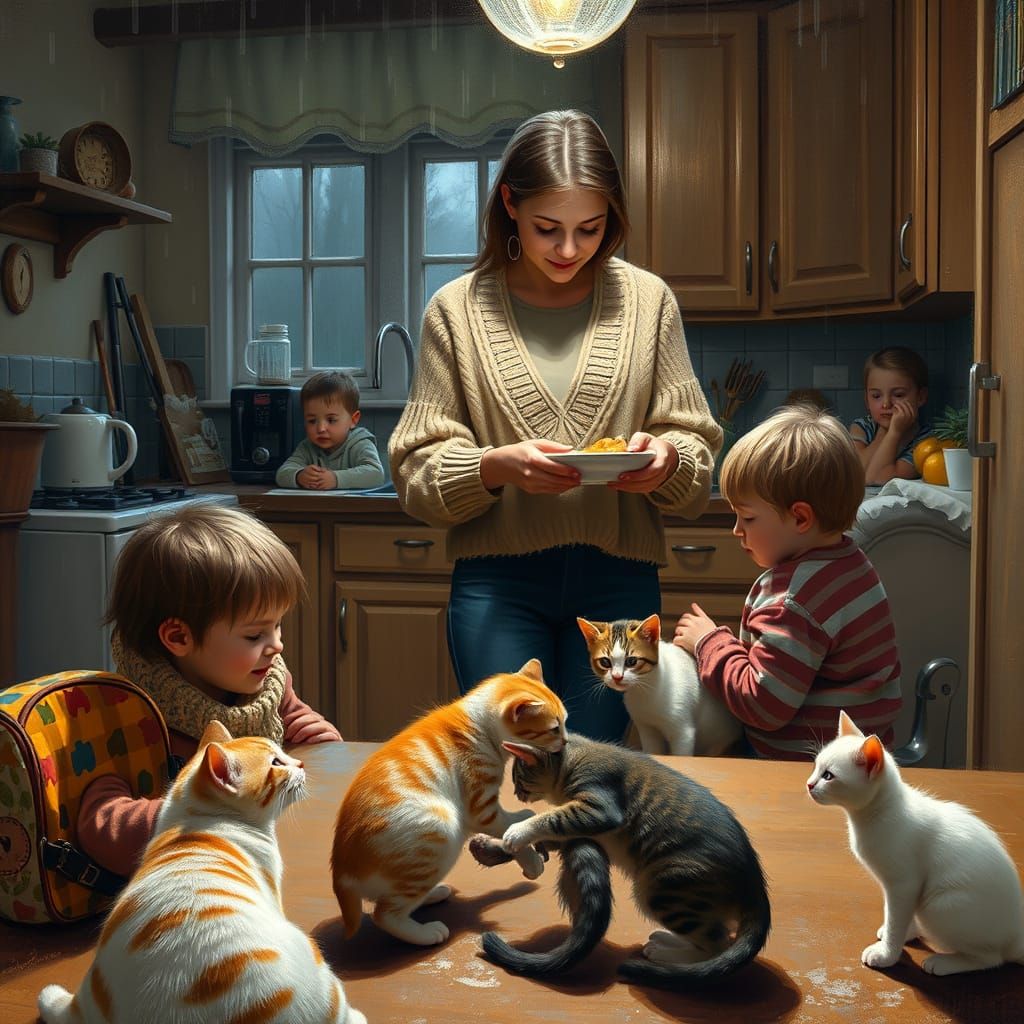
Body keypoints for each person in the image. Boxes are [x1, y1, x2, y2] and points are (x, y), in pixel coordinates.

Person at [388, 110, 721, 743]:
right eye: (548, 229)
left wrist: (669, 460)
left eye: (589, 229)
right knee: (516, 757)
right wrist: (493, 467)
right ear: (509, 204)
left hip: (619, 578)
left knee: (591, 767)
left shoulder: (650, 302)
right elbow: (413, 470)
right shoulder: (453, 312)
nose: (569, 250)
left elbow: (695, 444)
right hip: (496, 582)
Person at [76, 503, 342, 877]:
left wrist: (316, 738)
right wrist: (199, 809)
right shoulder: (120, 713)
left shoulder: (265, 682)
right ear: (178, 637)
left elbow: (293, 722)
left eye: (278, 626)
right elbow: (99, 825)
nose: (277, 645)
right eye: (255, 634)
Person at [673, 405, 902, 761]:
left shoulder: (793, 600)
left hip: (802, 769)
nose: (736, 530)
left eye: (747, 517)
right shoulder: (850, 562)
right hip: (862, 761)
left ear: (800, 517)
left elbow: (763, 706)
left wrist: (710, 643)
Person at [275, 370, 385, 490]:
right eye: (312, 421)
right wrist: (299, 476)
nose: (321, 429)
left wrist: (336, 479)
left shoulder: (360, 443)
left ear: (353, 420)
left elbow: (376, 474)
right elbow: (282, 473)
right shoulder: (307, 447)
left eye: (331, 420)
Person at [849, 346, 932, 484]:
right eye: (876, 396)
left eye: (898, 394)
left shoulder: (926, 441)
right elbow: (855, 473)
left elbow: (876, 478)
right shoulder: (862, 427)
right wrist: (883, 432)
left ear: (921, 397)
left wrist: (894, 433)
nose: (886, 404)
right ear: (866, 400)